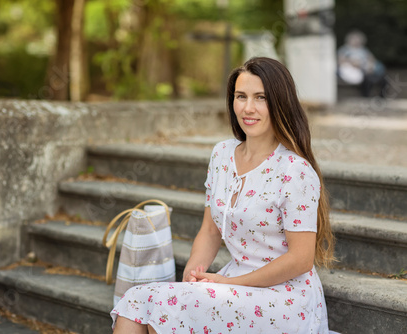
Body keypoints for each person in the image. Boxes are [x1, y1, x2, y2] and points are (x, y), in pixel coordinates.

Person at [111, 57, 335, 333]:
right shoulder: (222, 155)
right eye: (241, 97)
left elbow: (301, 260)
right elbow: (210, 231)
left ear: (280, 103)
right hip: (231, 284)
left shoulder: (295, 170)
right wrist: (191, 275)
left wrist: (228, 284)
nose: (248, 108)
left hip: (283, 297)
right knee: (134, 302)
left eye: (260, 98)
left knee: (167, 307)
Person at [337, 30, 387, 97]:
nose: (356, 41)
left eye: (358, 39)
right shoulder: (344, 49)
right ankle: (366, 97)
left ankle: (382, 96)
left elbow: (372, 60)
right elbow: (340, 60)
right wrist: (352, 62)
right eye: (354, 39)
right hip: (354, 71)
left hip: (366, 69)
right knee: (367, 79)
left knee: (383, 79)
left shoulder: (364, 50)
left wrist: (370, 66)